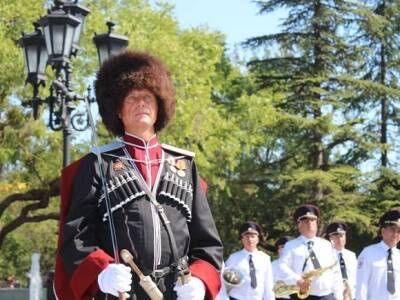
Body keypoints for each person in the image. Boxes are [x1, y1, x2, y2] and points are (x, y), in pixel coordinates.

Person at [54, 50, 223, 300]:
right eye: (132, 98)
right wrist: (101, 272)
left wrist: (199, 280)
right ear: (118, 111)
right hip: (121, 292)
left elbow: (207, 243)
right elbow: (76, 236)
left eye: (148, 98)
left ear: (159, 107)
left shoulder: (184, 166)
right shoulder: (98, 164)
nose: (141, 103)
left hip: (176, 292)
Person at [278, 204, 343, 300]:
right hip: (304, 295)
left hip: (326, 295)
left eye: (313, 220)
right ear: (299, 224)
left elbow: (335, 271)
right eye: (306, 221)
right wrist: (297, 280)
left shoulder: (326, 244)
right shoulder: (291, 245)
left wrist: (339, 297)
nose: (310, 223)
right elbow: (282, 266)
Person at [222, 221, 275, 300]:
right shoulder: (233, 258)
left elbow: (268, 284)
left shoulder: (265, 258)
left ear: (258, 239)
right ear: (242, 239)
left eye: (253, 236)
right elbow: (224, 282)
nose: (250, 239)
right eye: (247, 237)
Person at [356, 208, 400, 300]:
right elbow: (361, 286)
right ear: (383, 231)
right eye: (392, 229)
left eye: (399, 231)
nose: (396, 234)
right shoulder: (368, 253)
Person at [325, 222, 356, 300]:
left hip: (352, 295)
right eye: (336, 236)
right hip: (333, 296)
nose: (340, 239)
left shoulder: (352, 255)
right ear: (330, 238)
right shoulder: (326, 256)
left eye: (342, 235)